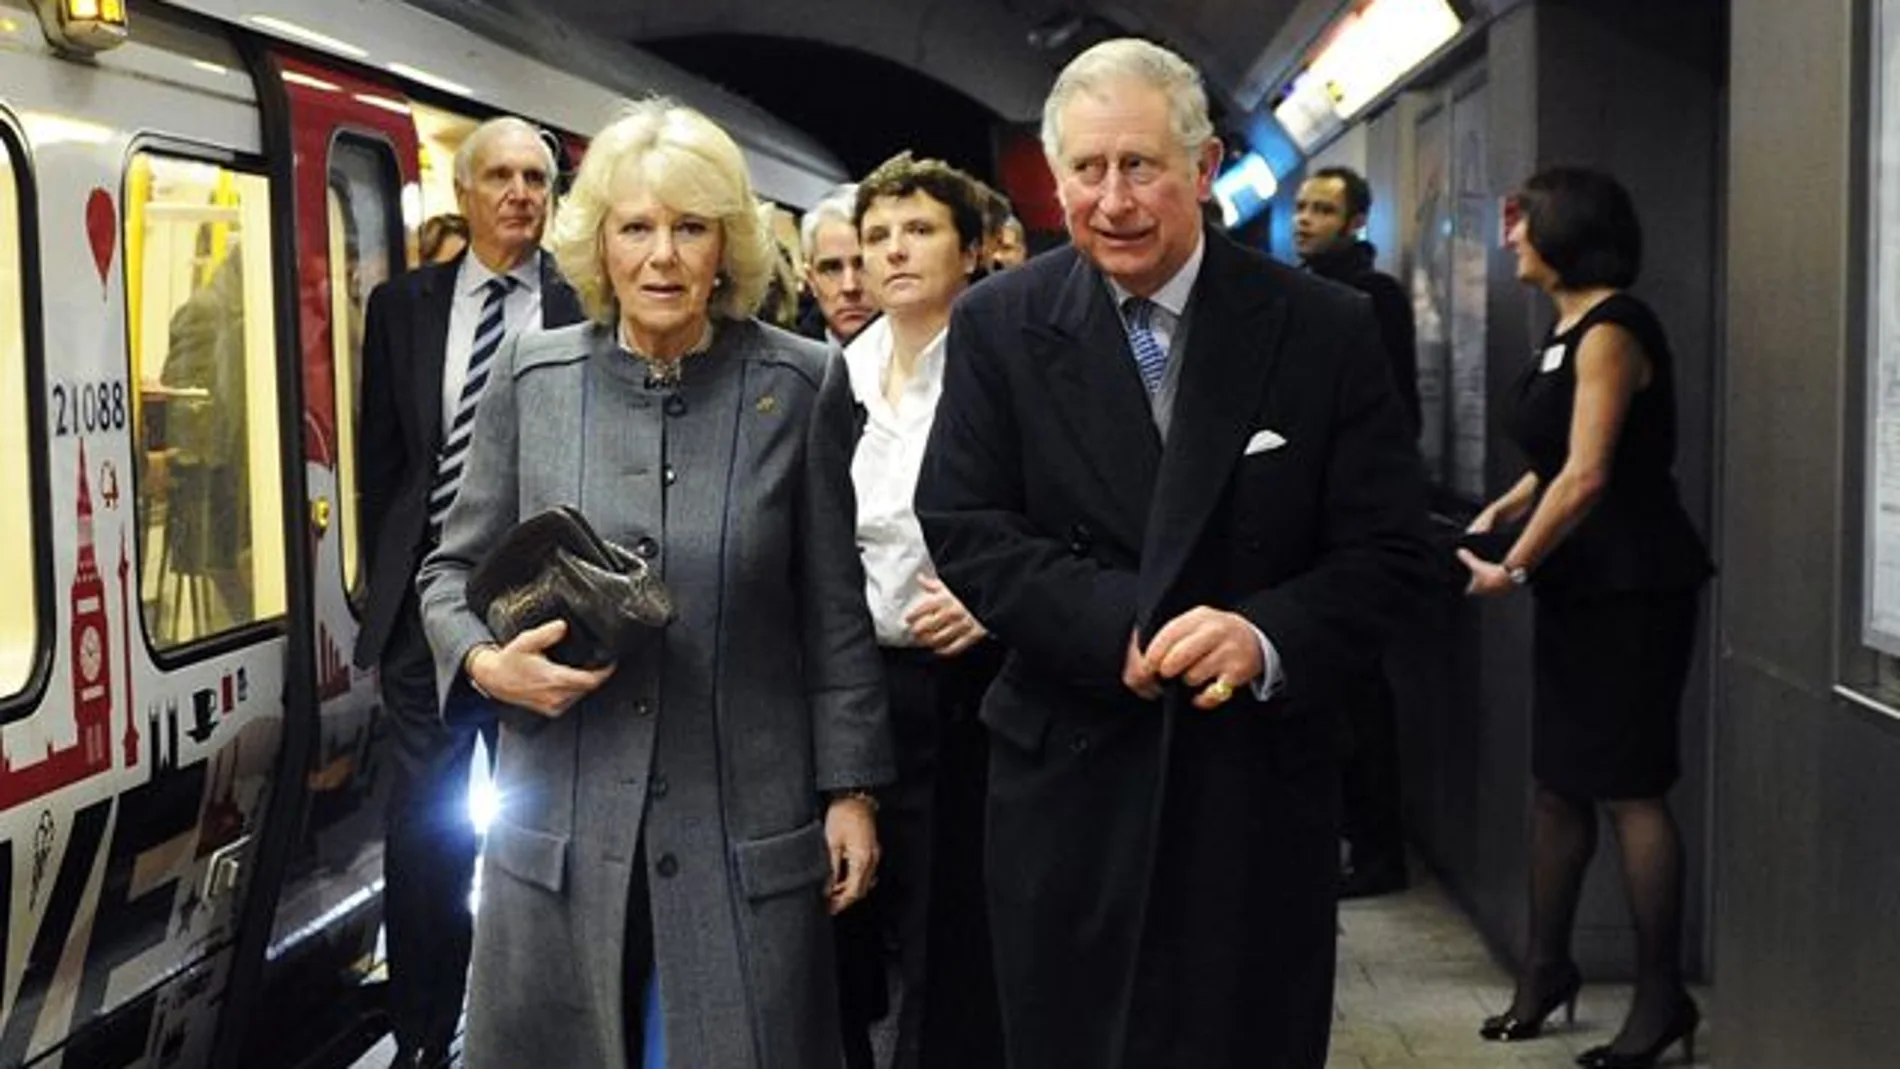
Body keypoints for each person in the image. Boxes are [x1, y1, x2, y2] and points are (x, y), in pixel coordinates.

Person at [915, 37, 1433, 1069]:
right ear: (1053, 178)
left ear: (1200, 170)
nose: (1113, 199)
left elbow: (1387, 547)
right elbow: (966, 522)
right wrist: (1117, 623)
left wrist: (1263, 633)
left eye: (1140, 166)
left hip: (1250, 778)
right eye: (1087, 170)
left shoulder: (1318, 328)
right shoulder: (998, 326)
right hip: (1066, 773)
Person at [414, 98, 893, 1069]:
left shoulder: (800, 384)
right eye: (636, 228)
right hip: (558, 823)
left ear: (728, 246)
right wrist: (483, 664)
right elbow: (448, 570)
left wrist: (851, 788)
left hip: (740, 819)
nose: (662, 257)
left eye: (690, 227)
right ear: (598, 243)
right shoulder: (529, 375)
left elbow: (834, 610)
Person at [1462, 166, 1711, 1069]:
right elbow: (1558, 456)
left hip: (1631, 585)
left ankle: (1659, 999)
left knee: (1631, 787)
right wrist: (1509, 505)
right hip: (1583, 582)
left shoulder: (1615, 326)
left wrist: (1513, 564)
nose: (1511, 238)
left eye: (1522, 223)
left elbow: (1594, 470)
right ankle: (1545, 968)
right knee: (1559, 781)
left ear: (1565, 231)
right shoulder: (1569, 327)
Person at [353, 116, 582, 1069]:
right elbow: (384, 459)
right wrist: (396, 586)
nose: (521, 193)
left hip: (548, 608)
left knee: (543, 830)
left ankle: (539, 1026)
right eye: (501, 176)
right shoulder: (405, 306)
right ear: (463, 191)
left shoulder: (584, 305)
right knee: (424, 830)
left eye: (537, 177)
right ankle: (420, 1032)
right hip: (426, 618)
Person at [845, 150, 1004, 1069]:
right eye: (877, 236)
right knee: (857, 913)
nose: (895, 251)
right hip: (861, 677)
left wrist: (995, 604)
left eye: (920, 230)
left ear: (972, 249)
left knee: (950, 918)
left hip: (968, 683)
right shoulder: (839, 375)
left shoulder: (1001, 367)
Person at [1293, 164, 1420, 899]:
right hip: (1318, 524)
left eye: (1323, 209)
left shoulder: (1372, 298)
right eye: (1303, 206)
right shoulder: (1304, 289)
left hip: (1351, 525)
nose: (1306, 219)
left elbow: (1394, 415)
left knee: (1360, 699)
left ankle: (1377, 849)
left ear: (1357, 221)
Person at [799, 185, 877, 345]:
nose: (850, 287)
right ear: (811, 280)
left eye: (863, 265)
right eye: (832, 269)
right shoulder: (785, 365)